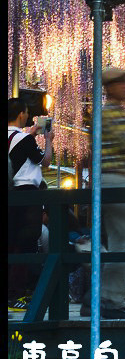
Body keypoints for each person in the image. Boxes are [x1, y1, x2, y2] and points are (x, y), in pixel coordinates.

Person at [81, 67, 125, 319]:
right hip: (117, 180)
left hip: (106, 180)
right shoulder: (113, 114)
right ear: (109, 87)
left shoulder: (102, 114)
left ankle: (99, 296)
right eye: (121, 82)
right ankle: (109, 299)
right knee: (124, 241)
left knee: (116, 238)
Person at [8, 97, 54, 313]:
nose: (28, 116)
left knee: (11, 241)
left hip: (11, 194)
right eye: (26, 113)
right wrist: (49, 140)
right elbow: (44, 161)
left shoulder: (17, 138)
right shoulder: (24, 140)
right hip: (27, 195)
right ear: (21, 115)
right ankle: (15, 294)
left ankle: (12, 292)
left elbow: (17, 151)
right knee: (25, 243)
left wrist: (32, 133)